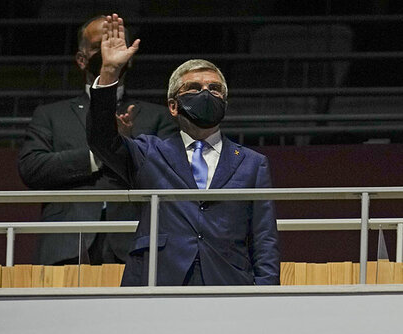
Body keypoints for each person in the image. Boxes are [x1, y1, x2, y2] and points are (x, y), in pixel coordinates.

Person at [87, 14, 280, 286]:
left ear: (225, 102)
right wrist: (109, 73)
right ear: (173, 105)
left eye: (215, 89)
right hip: (157, 279)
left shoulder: (252, 163)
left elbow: (264, 237)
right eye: (193, 88)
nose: (205, 93)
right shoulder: (148, 153)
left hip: (228, 283)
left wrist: (266, 295)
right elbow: (101, 140)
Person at [17, 15, 177, 266]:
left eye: (115, 45)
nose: (107, 52)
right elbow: (32, 168)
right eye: (98, 46)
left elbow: (170, 172)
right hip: (65, 245)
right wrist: (101, 154)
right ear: (81, 59)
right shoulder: (50, 114)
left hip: (136, 243)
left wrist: (127, 149)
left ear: (129, 57)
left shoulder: (157, 116)